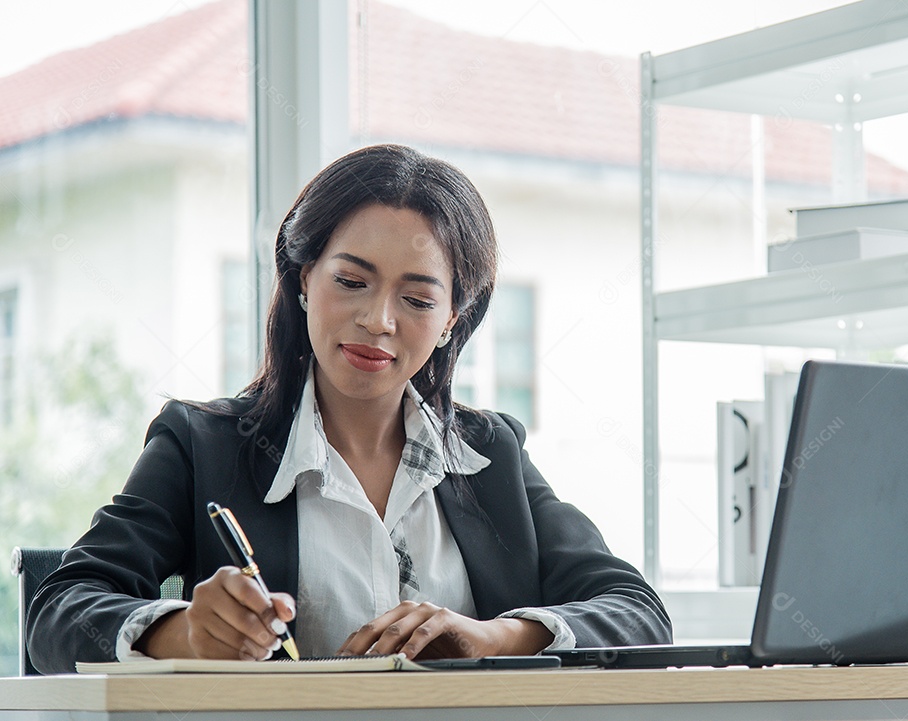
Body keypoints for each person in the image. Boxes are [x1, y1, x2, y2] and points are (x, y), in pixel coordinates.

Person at [27, 144, 672, 673]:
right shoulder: (201, 445)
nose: (378, 321)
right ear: (304, 278)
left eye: (418, 300)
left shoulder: (490, 456)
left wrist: (495, 640)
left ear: (452, 320)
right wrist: (185, 635)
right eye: (351, 282)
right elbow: (58, 612)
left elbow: (638, 612)